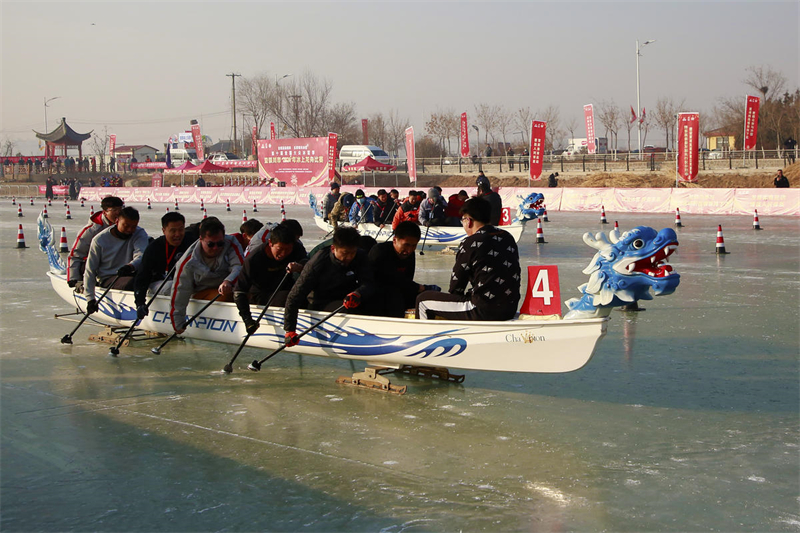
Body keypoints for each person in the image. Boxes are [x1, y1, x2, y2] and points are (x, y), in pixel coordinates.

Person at [416, 197, 521, 321]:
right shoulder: (508, 237)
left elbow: (457, 285)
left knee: (423, 300)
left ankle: (428, 338)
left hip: (482, 309)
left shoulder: (470, 242)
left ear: (469, 221)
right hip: (509, 308)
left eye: (463, 220)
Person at [282, 227, 375, 347]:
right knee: (350, 310)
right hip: (321, 301)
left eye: (352, 253)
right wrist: (290, 330)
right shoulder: (317, 262)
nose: (349, 257)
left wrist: (358, 293)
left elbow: (369, 283)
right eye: (345, 253)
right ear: (333, 248)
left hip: (348, 297)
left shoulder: (360, 256)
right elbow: (295, 296)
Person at [169, 217, 244, 332]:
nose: (216, 248)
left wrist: (228, 280)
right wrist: (178, 325)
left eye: (220, 243)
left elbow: (239, 267)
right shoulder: (187, 262)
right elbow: (180, 293)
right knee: (227, 296)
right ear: (201, 239)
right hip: (201, 293)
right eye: (210, 244)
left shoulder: (232, 243)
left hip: (227, 286)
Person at [234, 225, 307, 334]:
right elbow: (239, 291)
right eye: (279, 249)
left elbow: (308, 264)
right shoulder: (254, 258)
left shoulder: (296, 248)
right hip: (260, 295)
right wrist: (248, 321)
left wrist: (300, 267)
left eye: (287, 250)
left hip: (286, 289)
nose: (283, 254)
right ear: (270, 243)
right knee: (289, 297)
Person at [133, 212, 199, 319]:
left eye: (181, 229)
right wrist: (140, 303)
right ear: (164, 231)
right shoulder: (154, 248)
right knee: (173, 286)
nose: (177, 234)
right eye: (173, 231)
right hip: (160, 284)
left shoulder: (191, 242)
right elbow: (142, 277)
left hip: (185, 283)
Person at [83, 207, 149, 315]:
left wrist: (130, 266)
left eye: (133, 226)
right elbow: (90, 271)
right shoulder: (99, 240)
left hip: (131, 271)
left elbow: (141, 255)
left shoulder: (139, 233)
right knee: (134, 282)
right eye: (126, 225)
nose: (129, 230)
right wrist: (90, 299)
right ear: (117, 221)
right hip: (109, 278)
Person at [368, 221, 440, 317]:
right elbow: (388, 279)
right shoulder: (379, 252)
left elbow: (407, 280)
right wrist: (420, 287)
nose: (409, 250)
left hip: (399, 292)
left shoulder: (409, 254)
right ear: (395, 240)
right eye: (406, 245)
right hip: (377, 295)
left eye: (414, 245)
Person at [67, 196, 124, 290]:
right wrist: (73, 279)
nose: (118, 213)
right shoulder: (91, 231)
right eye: (114, 210)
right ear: (105, 212)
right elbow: (76, 255)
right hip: (93, 267)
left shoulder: (125, 227)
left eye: (120, 209)